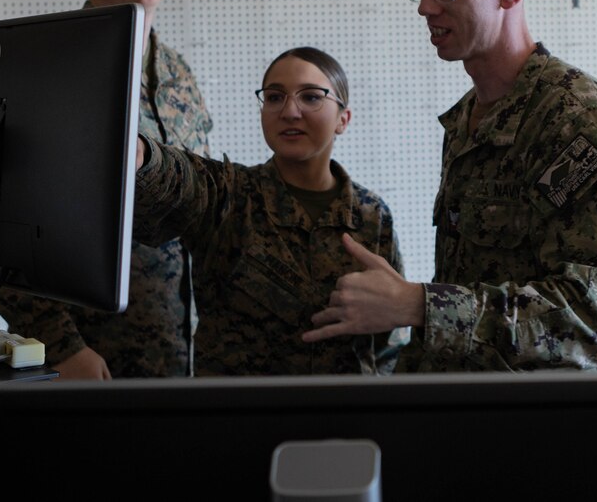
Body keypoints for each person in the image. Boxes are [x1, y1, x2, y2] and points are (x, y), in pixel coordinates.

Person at [302, 0, 597, 373]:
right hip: (468, 410)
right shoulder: (468, 118)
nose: (425, 6)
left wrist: (418, 305)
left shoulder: (575, 119)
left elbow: (594, 323)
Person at [0, 0, 214, 379]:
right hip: (94, 355)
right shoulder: (53, 72)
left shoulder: (176, 69)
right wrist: (64, 348)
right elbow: (4, 232)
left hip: (184, 341)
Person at [133, 47, 406, 375]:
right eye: (275, 97)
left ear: (343, 119)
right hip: (244, 420)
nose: (290, 111)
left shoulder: (372, 215)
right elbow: (181, 178)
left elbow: (389, 345)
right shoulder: (229, 195)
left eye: (311, 97)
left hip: (343, 417)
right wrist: (142, 155)